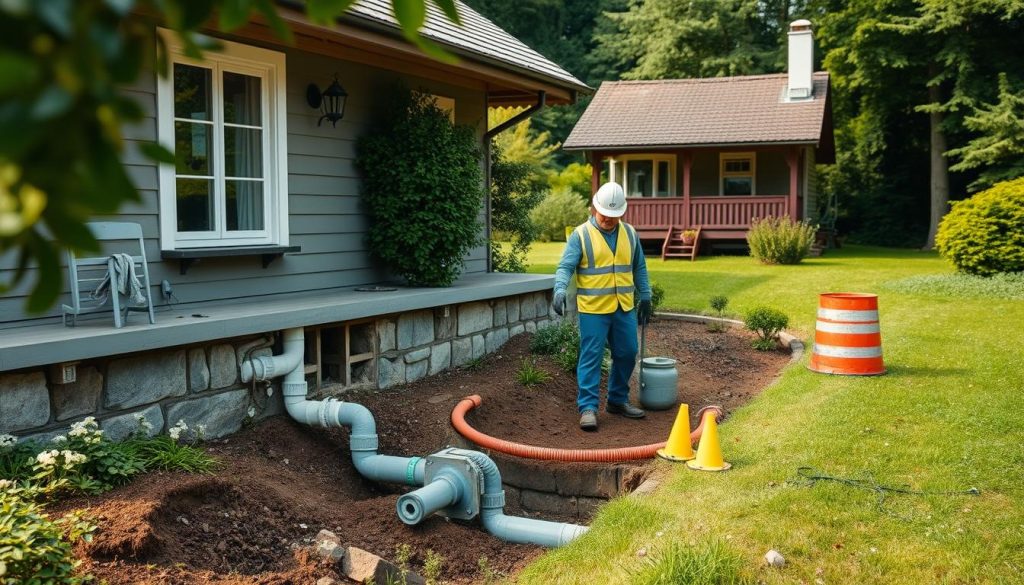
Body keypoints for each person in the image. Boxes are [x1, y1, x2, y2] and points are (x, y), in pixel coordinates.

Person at [552, 182, 652, 431]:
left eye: (614, 216)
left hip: (623, 306)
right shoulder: (581, 235)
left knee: (628, 352)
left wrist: (646, 294)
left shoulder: (629, 233)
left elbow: (639, 266)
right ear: (593, 208)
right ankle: (587, 407)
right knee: (591, 357)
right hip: (593, 308)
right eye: (604, 215)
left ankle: (617, 401)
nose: (608, 219)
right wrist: (560, 288)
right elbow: (565, 267)